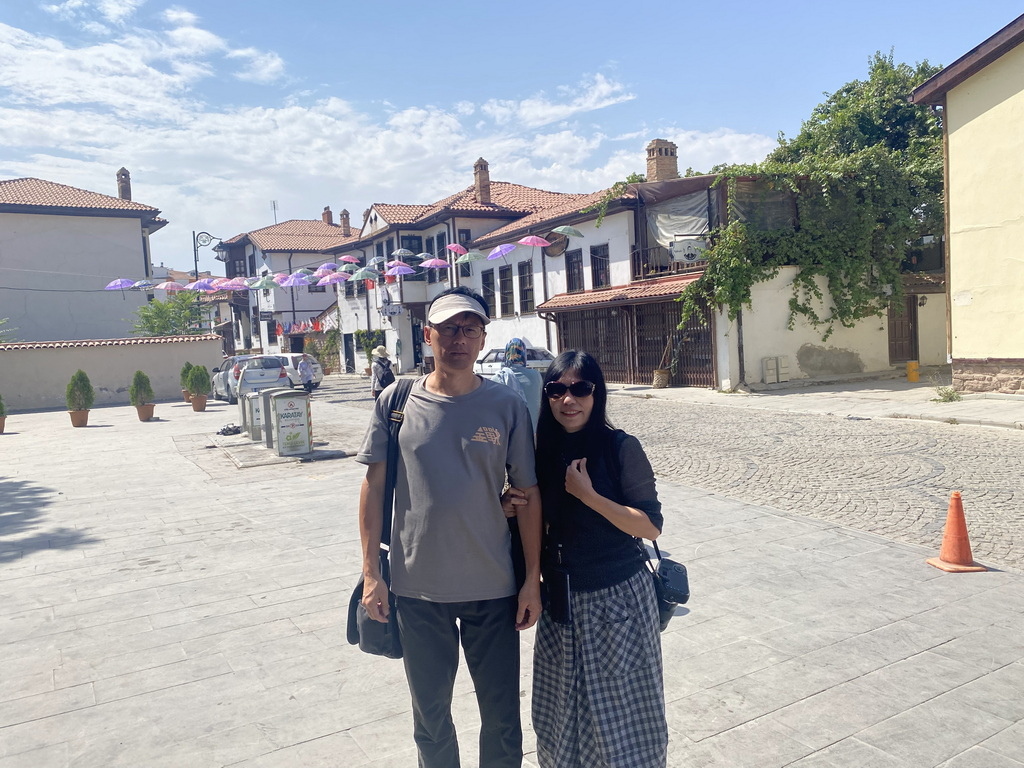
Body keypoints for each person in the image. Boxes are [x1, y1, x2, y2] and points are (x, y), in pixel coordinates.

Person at [356, 286, 542, 768]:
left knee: (502, 718)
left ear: (483, 338)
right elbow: (373, 487)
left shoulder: (506, 406)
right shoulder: (396, 402)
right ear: (427, 335)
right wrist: (372, 574)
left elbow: (528, 495)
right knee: (431, 719)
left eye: (470, 329)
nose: (459, 338)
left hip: (493, 587)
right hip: (418, 589)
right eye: (448, 329)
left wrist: (531, 581)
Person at [504, 349, 667, 767]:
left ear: (597, 394)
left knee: (622, 720)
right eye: (557, 389)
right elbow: (535, 522)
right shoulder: (540, 452)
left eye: (581, 388)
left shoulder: (619, 447)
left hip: (618, 599)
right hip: (561, 602)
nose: (568, 399)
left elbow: (650, 527)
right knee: (560, 715)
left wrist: (589, 496)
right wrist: (508, 508)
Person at [490, 337, 543, 431]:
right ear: (524, 355)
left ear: (506, 355)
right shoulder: (536, 376)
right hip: (532, 431)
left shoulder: (497, 378)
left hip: (506, 433)